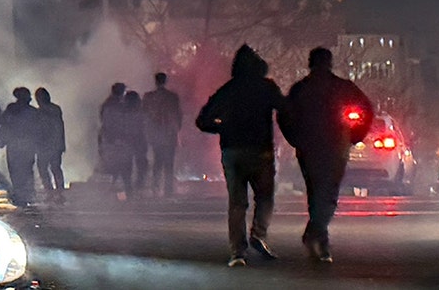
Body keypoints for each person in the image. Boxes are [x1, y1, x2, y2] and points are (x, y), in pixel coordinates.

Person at [279, 47, 373, 263]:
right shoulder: (343, 87)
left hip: (309, 147)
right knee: (329, 193)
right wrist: (354, 135)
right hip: (335, 146)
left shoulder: (300, 89)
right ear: (329, 63)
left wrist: (295, 138)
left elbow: (284, 115)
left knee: (315, 192)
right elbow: (366, 109)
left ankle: (317, 236)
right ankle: (318, 235)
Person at [196, 44, 286, 267]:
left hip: (232, 151)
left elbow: (202, 120)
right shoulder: (267, 87)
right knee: (265, 196)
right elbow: (286, 108)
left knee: (237, 202)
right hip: (260, 150)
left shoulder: (228, 89)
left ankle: (237, 251)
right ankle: (259, 233)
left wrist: (223, 127)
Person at [0, 87, 40, 207]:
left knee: (16, 171)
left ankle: (20, 195)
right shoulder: (33, 112)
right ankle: (28, 194)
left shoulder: (12, 109)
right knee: (27, 170)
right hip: (27, 145)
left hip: (14, 145)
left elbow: (3, 123)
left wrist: (1, 140)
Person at [143, 72, 182, 198]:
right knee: (169, 163)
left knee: (157, 162)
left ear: (155, 81)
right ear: (165, 81)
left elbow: (144, 115)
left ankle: (155, 188)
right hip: (169, 134)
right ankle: (168, 190)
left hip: (156, 134)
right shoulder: (172, 97)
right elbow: (178, 116)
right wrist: (176, 130)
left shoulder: (149, 97)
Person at [35, 87, 66, 202]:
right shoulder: (55, 109)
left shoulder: (41, 112)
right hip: (53, 145)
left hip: (45, 145)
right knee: (55, 168)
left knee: (45, 169)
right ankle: (58, 192)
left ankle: (51, 191)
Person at [98, 82, 127, 173]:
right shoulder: (117, 105)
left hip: (107, 136)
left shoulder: (107, 103)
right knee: (115, 163)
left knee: (110, 161)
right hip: (113, 137)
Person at [123, 91, 149, 193]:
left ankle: (128, 186)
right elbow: (146, 124)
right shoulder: (141, 111)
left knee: (127, 164)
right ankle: (139, 185)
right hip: (139, 139)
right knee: (141, 164)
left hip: (128, 140)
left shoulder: (123, 112)